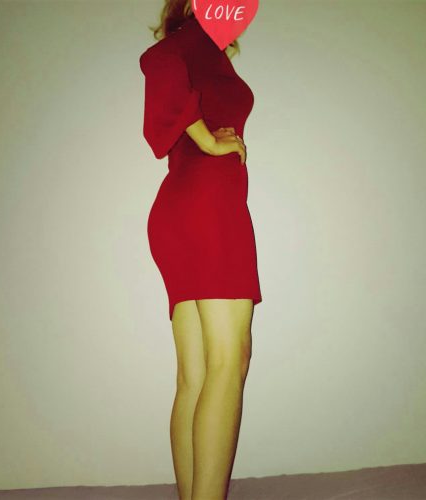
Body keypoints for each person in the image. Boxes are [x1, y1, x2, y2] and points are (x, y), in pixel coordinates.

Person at [139, 1, 262, 498]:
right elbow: (157, 61)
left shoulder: (206, 51)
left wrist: (204, 135)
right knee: (229, 362)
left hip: (184, 208)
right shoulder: (189, 41)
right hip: (207, 205)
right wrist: (209, 143)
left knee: (196, 374)